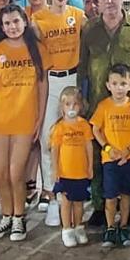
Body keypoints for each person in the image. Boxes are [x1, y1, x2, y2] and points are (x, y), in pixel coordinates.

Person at [78, 0, 130, 225]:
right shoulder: (89, 29)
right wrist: (82, 97)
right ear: (97, 1)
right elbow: (82, 66)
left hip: (129, 106)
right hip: (100, 104)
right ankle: (102, 207)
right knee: (103, 155)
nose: (109, 1)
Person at [0, 4, 49, 242]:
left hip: (25, 119)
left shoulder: (37, 49)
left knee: (15, 172)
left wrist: (40, 118)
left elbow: (42, 86)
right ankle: (6, 216)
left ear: (25, 22)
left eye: (16, 22)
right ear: (1, 26)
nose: (12, 27)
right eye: (7, 23)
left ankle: (19, 217)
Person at [29, 0, 86, 225]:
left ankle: (77, 193)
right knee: (48, 139)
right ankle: (53, 195)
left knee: (75, 137)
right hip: (51, 81)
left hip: (73, 80)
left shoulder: (78, 15)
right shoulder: (38, 19)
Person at [90, 64, 130, 248]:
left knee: (126, 195)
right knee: (110, 196)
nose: (119, 88)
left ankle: (123, 226)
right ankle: (110, 227)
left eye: (123, 83)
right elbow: (96, 129)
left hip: (129, 158)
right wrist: (108, 148)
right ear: (108, 85)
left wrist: (129, 150)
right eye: (115, 83)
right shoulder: (103, 106)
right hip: (110, 159)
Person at [50, 86, 94, 247]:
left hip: (80, 172)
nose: (71, 108)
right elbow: (55, 150)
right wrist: (55, 170)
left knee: (79, 203)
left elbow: (89, 147)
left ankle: (79, 226)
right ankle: (66, 229)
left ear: (81, 106)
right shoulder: (59, 128)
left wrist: (90, 167)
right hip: (65, 173)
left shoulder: (84, 126)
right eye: (67, 104)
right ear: (62, 107)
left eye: (75, 104)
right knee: (66, 202)